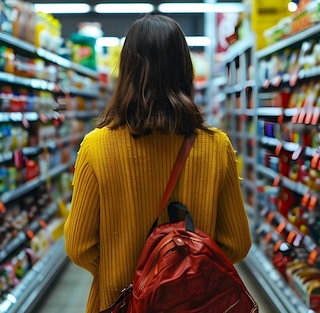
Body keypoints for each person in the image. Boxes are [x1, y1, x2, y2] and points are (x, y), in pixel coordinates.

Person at [64, 14, 252, 313]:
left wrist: (127, 273)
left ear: (126, 70)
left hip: (119, 301)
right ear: (185, 69)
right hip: (193, 304)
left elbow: (79, 247)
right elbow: (236, 243)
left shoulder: (95, 146)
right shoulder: (217, 146)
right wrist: (185, 275)